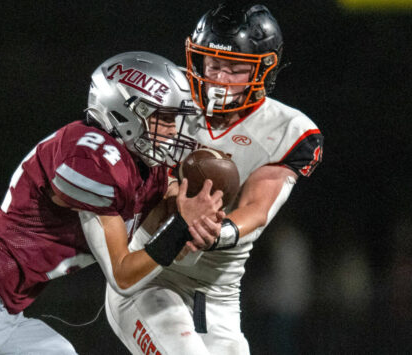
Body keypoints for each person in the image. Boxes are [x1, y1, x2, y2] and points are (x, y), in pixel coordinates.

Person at [0, 51, 226, 355]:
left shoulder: (146, 171)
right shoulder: (88, 153)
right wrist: (180, 226)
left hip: (8, 307)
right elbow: (122, 275)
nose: (173, 131)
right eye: (164, 119)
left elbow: (167, 226)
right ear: (125, 112)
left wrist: (193, 223)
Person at [105, 3, 324, 354]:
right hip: (149, 275)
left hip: (217, 296)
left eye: (235, 69)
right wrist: (175, 203)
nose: (219, 79)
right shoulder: (168, 95)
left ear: (264, 69)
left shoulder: (287, 129)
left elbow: (258, 205)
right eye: (213, 64)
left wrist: (214, 232)